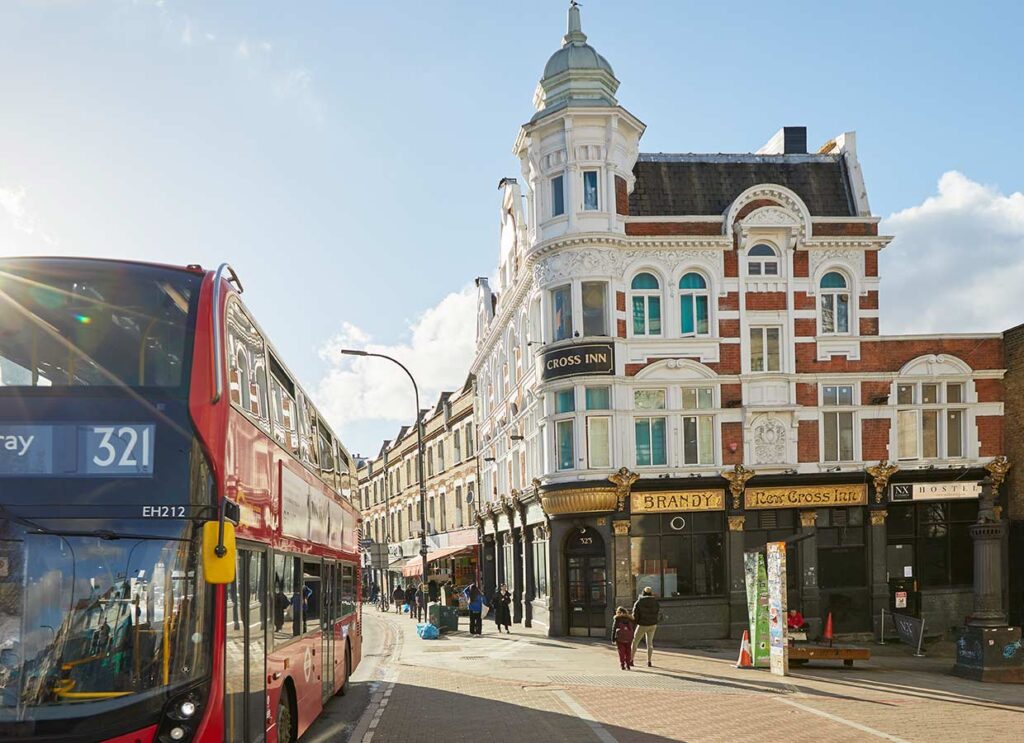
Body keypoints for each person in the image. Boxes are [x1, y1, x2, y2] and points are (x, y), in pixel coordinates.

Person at [631, 585, 660, 667]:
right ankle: (649, 661)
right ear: (651, 593)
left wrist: (635, 623)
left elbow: (635, 615)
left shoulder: (639, 602)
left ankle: (631, 659)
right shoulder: (655, 602)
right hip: (653, 624)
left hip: (642, 624)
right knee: (650, 643)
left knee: (635, 641)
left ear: (643, 592)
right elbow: (657, 612)